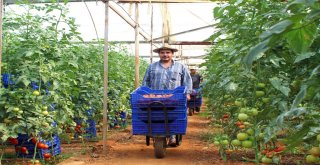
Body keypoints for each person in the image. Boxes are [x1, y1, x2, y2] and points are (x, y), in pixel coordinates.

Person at [142, 44, 192, 146]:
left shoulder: (180, 66)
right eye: (162, 53)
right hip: (155, 97)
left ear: (172, 54)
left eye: (168, 52)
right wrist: (145, 93)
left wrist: (187, 93)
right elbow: (146, 81)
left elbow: (187, 80)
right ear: (159, 54)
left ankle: (173, 135)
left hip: (175, 97)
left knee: (174, 115)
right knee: (156, 115)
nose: (165, 55)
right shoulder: (152, 66)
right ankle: (156, 133)